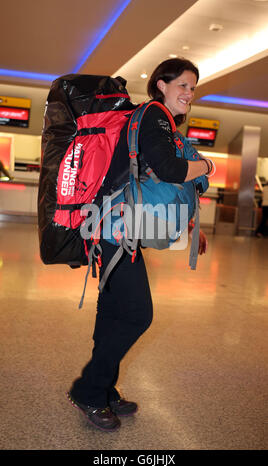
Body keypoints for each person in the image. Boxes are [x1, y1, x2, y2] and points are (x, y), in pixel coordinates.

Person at [67, 58, 211, 432]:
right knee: (137, 314)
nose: (189, 94)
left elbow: (150, 174)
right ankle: (89, 389)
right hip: (116, 231)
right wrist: (207, 167)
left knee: (113, 311)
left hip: (115, 226)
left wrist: (191, 220)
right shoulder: (154, 115)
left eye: (193, 88)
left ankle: (103, 387)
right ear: (161, 85)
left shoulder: (151, 119)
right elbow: (172, 171)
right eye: (183, 85)